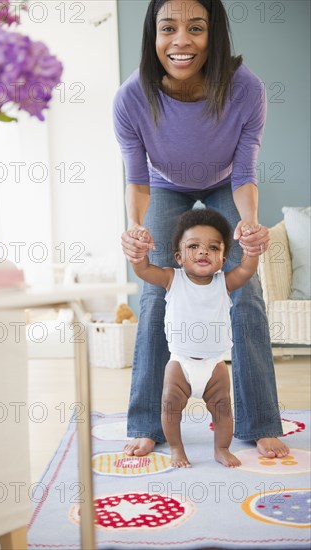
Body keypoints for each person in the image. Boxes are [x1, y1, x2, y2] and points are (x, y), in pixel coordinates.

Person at [113, 0, 289, 459]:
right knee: (154, 293)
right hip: (162, 185)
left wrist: (248, 224)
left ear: (214, 35)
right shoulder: (131, 97)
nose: (181, 41)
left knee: (245, 294)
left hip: (224, 186)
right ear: (153, 35)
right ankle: (147, 422)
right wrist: (134, 228)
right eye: (168, 28)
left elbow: (245, 169)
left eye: (196, 28)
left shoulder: (245, 89)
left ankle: (260, 422)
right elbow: (135, 175)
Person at [132, 208, 259, 468]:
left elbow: (246, 270)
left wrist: (252, 251)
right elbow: (143, 270)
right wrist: (138, 252)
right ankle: (177, 449)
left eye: (213, 247)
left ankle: (221, 448)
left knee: (223, 408)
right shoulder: (172, 278)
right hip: (180, 363)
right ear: (179, 256)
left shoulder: (225, 282)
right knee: (170, 405)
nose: (203, 252)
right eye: (194, 246)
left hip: (214, 365)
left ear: (223, 259)